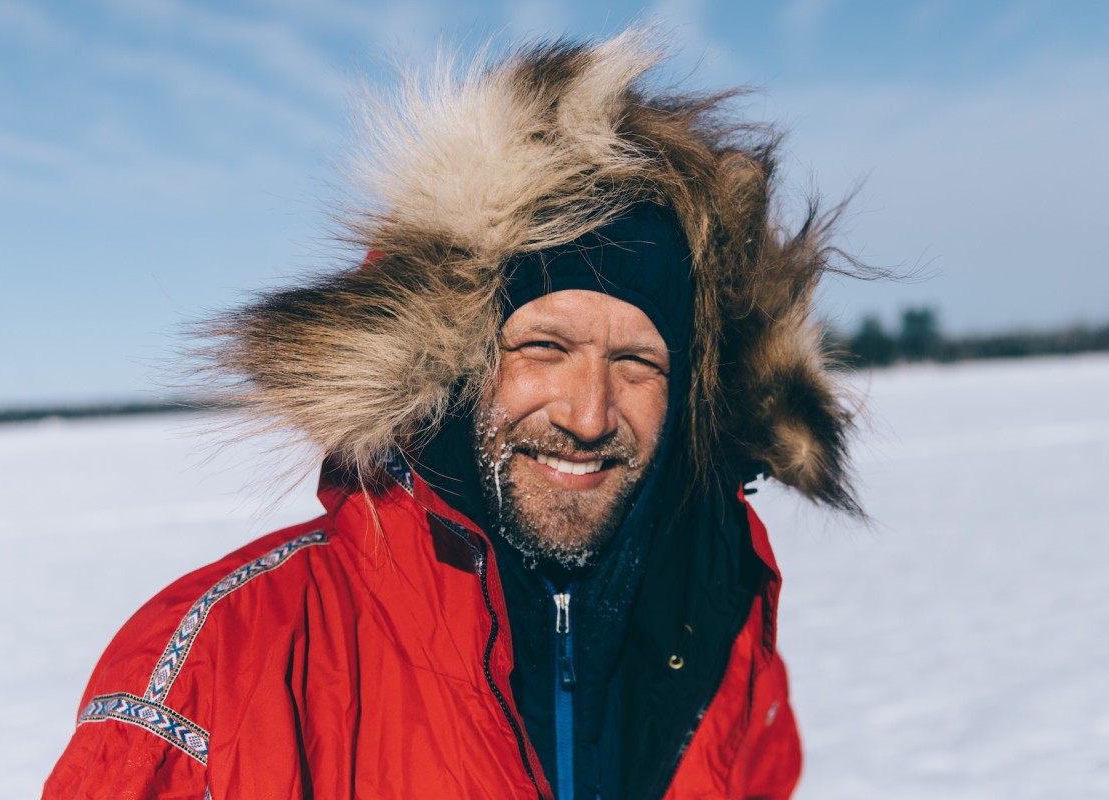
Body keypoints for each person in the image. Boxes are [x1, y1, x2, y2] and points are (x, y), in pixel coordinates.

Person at [44, 31, 860, 800]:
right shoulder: (219, 667)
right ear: (457, 366)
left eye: (637, 362)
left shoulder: (718, 617)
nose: (588, 412)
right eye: (544, 346)